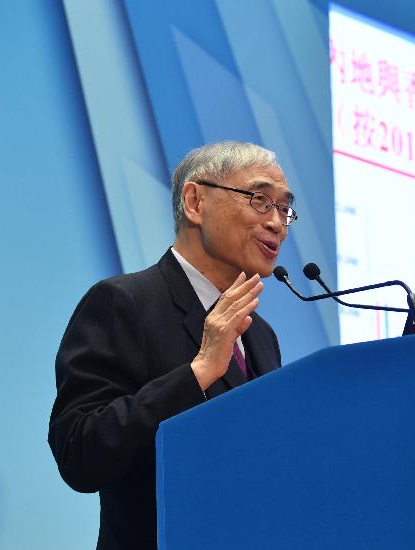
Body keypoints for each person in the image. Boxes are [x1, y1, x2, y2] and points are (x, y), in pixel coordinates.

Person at [48, 141, 296, 549]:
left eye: (284, 208)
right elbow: (80, 453)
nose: (277, 224)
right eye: (259, 200)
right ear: (195, 201)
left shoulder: (261, 335)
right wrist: (198, 372)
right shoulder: (123, 303)